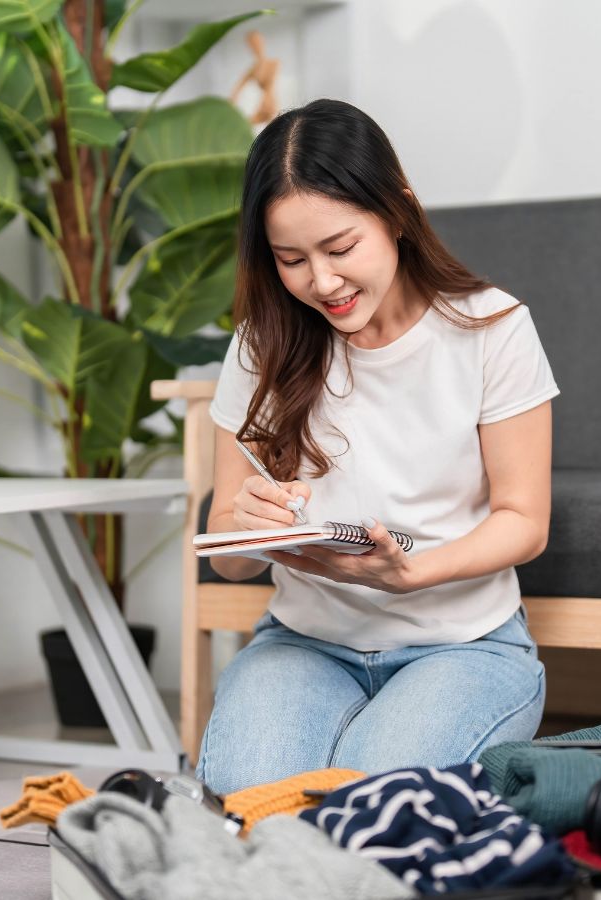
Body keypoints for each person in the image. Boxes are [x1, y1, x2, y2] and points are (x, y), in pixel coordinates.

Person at [198, 98, 560, 796]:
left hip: (462, 646)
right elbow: (228, 552)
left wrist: (414, 574)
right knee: (252, 796)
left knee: (369, 803)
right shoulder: (260, 346)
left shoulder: (493, 328)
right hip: (304, 643)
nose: (322, 282)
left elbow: (525, 520)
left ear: (397, 212)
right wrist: (248, 531)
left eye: (340, 250)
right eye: (291, 260)